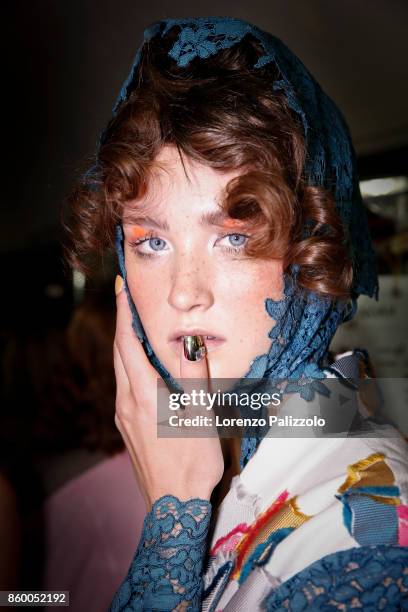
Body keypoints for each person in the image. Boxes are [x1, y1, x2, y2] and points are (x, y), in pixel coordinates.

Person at [65, 17, 408, 611]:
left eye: (233, 237)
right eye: (151, 241)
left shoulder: (364, 556)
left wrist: (169, 535)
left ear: (310, 248)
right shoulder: (228, 458)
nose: (182, 293)